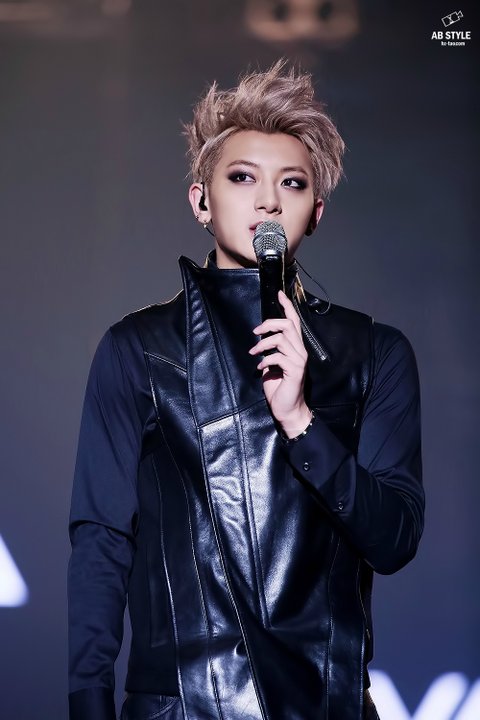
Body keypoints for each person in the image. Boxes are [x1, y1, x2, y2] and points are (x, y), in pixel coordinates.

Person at [68, 61, 424, 720]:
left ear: (316, 211)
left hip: (326, 704)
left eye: (292, 183)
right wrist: (89, 703)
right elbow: (103, 539)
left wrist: (301, 421)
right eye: (241, 178)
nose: (267, 202)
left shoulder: (375, 353)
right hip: (183, 705)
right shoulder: (139, 349)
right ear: (200, 201)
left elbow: (395, 539)